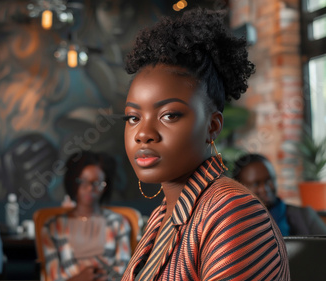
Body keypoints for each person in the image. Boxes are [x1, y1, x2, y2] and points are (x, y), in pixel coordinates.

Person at [120, 9, 290, 280]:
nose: (143, 134)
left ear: (213, 126)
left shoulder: (232, 212)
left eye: (169, 115)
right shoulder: (161, 216)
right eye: (133, 117)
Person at [41, 151, 131, 281]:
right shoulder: (52, 226)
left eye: (96, 183)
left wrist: (107, 278)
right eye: (83, 181)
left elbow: (124, 271)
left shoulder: (118, 222)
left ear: (105, 187)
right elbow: (52, 276)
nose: (89, 188)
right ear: (73, 183)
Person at [233, 153, 326, 236]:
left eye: (269, 180)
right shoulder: (233, 223)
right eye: (256, 184)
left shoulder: (304, 216)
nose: (265, 189)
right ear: (240, 188)